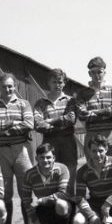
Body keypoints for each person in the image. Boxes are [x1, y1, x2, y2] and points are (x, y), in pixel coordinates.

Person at [0, 73, 34, 224]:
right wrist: (13, 123)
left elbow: (29, 124)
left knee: (25, 189)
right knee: (4, 192)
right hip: (1, 151)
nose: (7, 89)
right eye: (4, 86)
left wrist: (3, 129)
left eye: (10, 86)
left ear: (15, 87)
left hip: (21, 150)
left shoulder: (23, 103)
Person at [33, 68, 78, 196]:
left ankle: (70, 206)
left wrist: (49, 121)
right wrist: (60, 122)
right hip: (49, 141)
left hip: (67, 141)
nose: (57, 85)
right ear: (48, 83)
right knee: (51, 173)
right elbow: (38, 124)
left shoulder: (70, 101)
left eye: (60, 82)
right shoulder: (41, 103)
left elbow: (71, 119)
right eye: (54, 82)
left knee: (69, 176)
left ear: (64, 83)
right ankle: (52, 204)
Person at [21, 143, 72, 224]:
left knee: (61, 204)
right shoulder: (29, 174)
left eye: (48, 157)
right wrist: (35, 220)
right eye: (42, 157)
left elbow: (63, 193)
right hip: (44, 211)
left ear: (54, 158)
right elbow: (26, 199)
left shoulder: (62, 168)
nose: (45, 160)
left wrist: (41, 200)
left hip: (61, 207)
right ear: (36, 159)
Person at [76, 57, 112, 158]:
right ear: (89, 74)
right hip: (92, 135)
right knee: (93, 166)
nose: (97, 75)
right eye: (93, 72)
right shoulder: (83, 93)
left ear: (104, 72)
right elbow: (82, 114)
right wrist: (107, 111)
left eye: (99, 72)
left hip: (111, 135)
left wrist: (93, 113)